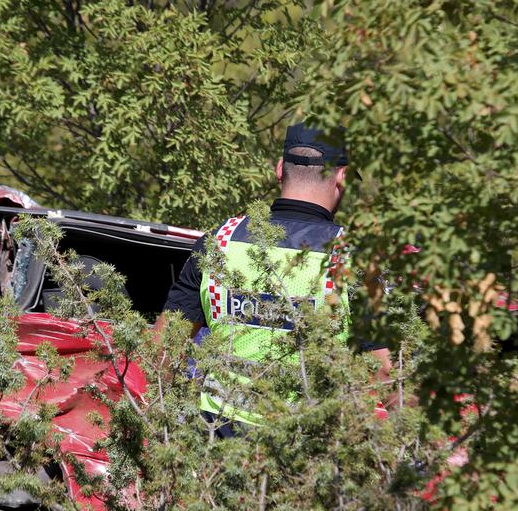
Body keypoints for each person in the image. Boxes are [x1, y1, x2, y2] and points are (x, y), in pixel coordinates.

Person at [160, 123, 390, 429]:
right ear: (342, 176)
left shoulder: (220, 241)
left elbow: (162, 350)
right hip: (304, 454)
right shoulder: (353, 257)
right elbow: (384, 376)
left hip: (214, 445)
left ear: (280, 169)